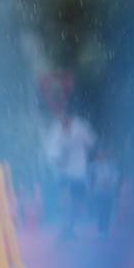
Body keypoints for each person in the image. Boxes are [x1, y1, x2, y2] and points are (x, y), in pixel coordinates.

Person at [43, 101, 96, 240]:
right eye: (60, 116)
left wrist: (81, 142)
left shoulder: (81, 127)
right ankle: (64, 228)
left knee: (75, 202)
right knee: (64, 198)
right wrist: (56, 159)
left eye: (64, 115)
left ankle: (70, 228)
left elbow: (91, 143)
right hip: (63, 170)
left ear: (70, 115)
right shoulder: (55, 129)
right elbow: (50, 149)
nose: (62, 119)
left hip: (79, 170)